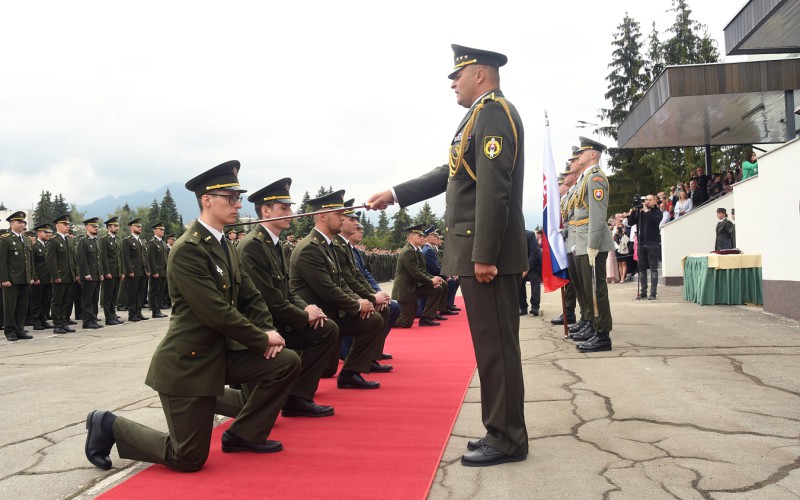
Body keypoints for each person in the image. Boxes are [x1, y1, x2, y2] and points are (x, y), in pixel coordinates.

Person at [84, 160, 301, 473]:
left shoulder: (225, 244)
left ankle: (244, 434)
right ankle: (109, 425)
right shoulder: (188, 249)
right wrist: (259, 338)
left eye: (239, 198)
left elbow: (250, 297)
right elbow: (214, 310)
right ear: (207, 200)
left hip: (220, 355)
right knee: (188, 458)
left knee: (285, 361)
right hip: (190, 364)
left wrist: (269, 333)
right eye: (231, 197)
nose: (238, 204)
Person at [367, 44, 527, 467]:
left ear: (480, 74)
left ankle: (508, 438)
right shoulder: (478, 116)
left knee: (497, 348)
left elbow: (494, 188)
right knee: (491, 346)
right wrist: (396, 193)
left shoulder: (493, 113)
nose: (453, 83)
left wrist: (485, 254)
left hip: (485, 254)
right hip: (480, 250)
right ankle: (501, 429)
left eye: (458, 75)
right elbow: (449, 173)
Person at [238, 177, 339, 417]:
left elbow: (288, 290)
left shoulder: (274, 244)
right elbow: (268, 299)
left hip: (281, 318)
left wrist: (310, 310)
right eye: (284, 208)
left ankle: (297, 397)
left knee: (327, 328)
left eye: (290, 207)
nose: (291, 213)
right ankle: (283, 396)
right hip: (264, 324)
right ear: (265, 211)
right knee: (318, 333)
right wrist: (304, 315)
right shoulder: (253, 246)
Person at [289, 190, 385, 389]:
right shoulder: (310, 248)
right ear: (323, 216)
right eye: (339, 214)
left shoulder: (328, 245)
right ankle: (297, 392)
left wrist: (361, 302)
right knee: (327, 368)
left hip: (331, 311)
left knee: (374, 319)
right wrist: (357, 305)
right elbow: (328, 289)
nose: (343, 218)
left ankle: (350, 373)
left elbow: (341, 283)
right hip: (317, 315)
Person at [566, 137, 615, 351]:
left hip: (591, 243)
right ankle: (593, 325)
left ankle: (602, 334)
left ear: (593, 154)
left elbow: (597, 214)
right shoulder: (586, 179)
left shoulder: (596, 178)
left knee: (596, 289)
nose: (579, 156)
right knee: (588, 289)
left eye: (582, 152)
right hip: (583, 241)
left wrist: (593, 244)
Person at [393, 224, 448, 328]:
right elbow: (416, 273)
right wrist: (431, 281)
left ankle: (427, 318)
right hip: (406, 290)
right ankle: (385, 321)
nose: (423, 238)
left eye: (423, 236)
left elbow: (422, 270)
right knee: (406, 323)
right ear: (411, 237)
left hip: (414, 287)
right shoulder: (407, 252)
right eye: (420, 236)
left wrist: (433, 279)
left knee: (438, 289)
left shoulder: (417, 251)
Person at [1, 211, 36, 341]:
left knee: (22, 306)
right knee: (10, 307)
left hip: (25, 278)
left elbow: (30, 260)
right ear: (11, 224)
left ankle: (19, 329)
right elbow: (2, 261)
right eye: (19, 222)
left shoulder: (26, 239)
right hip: (12, 279)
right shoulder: (6, 239)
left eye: (23, 222)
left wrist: (31, 276)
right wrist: (4, 279)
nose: (22, 224)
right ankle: (10, 330)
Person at [76, 217, 104, 329]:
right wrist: (86, 274)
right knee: (87, 299)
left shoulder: (96, 241)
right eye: (93, 226)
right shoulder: (83, 241)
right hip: (88, 276)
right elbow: (82, 260)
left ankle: (93, 318)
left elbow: (98, 259)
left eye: (97, 226)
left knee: (94, 299)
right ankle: (87, 321)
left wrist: (100, 272)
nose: (96, 228)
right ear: (87, 227)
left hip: (96, 274)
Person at [632, 195, 662, 300]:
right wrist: (634, 210)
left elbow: (655, 221)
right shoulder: (641, 213)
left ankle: (653, 293)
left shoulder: (657, 212)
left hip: (652, 243)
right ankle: (643, 292)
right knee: (641, 269)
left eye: (650, 200)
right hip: (641, 243)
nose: (647, 202)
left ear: (654, 201)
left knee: (653, 269)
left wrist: (647, 211)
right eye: (646, 200)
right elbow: (631, 222)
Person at [122, 218, 150, 322]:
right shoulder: (127, 241)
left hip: (142, 271)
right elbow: (126, 257)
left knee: (141, 293)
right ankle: (132, 314)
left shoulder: (142, 241)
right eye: (138, 227)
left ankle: (138, 312)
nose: (140, 228)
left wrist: (147, 270)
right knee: (132, 294)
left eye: (140, 226)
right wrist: (130, 271)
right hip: (133, 271)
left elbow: (144, 257)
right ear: (132, 228)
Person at [100, 217, 125, 326]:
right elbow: (104, 258)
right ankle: (108, 317)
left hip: (117, 272)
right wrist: (106, 272)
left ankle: (113, 314)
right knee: (108, 296)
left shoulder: (118, 240)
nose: (117, 228)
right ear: (109, 227)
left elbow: (120, 258)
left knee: (115, 295)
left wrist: (122, 271)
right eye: (114, 226)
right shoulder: (104, 240)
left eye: (117, 226)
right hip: (109, 272)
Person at [30, 223, 54, 331]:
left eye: (49, 232)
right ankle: (36, 321)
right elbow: (32, 264)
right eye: (46, 232)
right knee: (37, 301)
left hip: (48, 278)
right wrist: (35, 277)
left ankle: (43, 320)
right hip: (39, 279)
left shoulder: (48, 246)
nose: (49, 234)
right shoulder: (34, 247)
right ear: (39, 233)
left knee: (46, 301)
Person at [146, 222, 169, 318]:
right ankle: (154, 310)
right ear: (155, 230)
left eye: (163, 229)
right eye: (161, 229)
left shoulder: (163, 243)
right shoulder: (152, 243)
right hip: (157, 272)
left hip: (163, 271)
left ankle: (158, 309)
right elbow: (151, 259)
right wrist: (154, 271)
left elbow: (165, 258)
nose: (163, 231)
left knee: (161, 292)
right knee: (154, 291)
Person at [519, 229, 541, 316]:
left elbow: (534, 252)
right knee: (520, 284)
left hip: (533, 264)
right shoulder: (511, 236)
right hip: (520, 264)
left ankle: (535, 307)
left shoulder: (530, 235)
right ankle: (523, 307)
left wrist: (527, 268)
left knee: (535, 283)